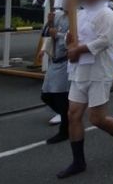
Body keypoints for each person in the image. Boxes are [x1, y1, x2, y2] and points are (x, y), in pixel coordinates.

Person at [57, 0, 113, 179]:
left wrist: (78, 49)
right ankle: (78, 162)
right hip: (79, 71)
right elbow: (71, 35)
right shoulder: (79, 14)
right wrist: (68, 40)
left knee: (96, 118)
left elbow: (105, 41)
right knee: (73, 114)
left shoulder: (107, 14)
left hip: (100, 71)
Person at [41, 8, 70, 144]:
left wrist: (57, 34)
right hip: (54, 60)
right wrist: (50, 22)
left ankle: (65, 128)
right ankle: (68, 116)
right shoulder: (58, 16)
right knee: (45, 95)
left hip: (65, 62)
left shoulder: (77, 18)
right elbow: (46, 33)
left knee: (60, 97)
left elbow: (74, 40)